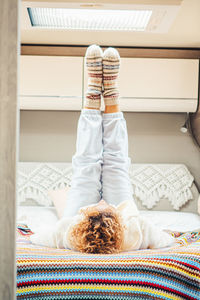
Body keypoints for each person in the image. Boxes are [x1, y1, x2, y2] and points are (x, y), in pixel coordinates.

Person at [30, 45, 174, 253]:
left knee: (86, 165)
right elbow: (165, 241)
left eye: (97, 205)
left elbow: (37, 239)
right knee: (116, 164)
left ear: (85, 216)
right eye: (104, 205)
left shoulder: (70, 231)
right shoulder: (132, 232)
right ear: (118, 219)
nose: (101, 200)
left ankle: (93, 89)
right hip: (120, 219)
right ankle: (111, 92)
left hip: (78, 218)